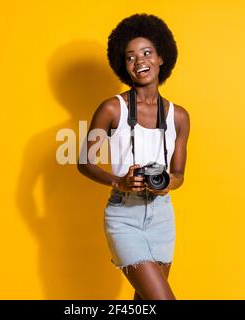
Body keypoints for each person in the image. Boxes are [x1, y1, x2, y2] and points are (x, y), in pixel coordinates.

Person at [77, 13, 190, 300]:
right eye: (130, 57)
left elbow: (179, 175)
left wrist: (166, 184)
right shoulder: (111, 110)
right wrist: (120, 182)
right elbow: (84, 161)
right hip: (124, 215)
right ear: (123, 65)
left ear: (161, 58)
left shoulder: (179, 117)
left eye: (147, 53)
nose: (139, 61)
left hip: (162, 216)